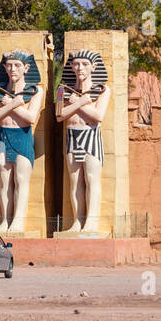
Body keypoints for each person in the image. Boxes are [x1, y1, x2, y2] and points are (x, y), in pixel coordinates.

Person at [56, 51, 110, 234]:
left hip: (91, 136)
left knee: (91, 179)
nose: (79, 68)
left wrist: (79, 102)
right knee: (74, 182)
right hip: (72, 136)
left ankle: (91, 222)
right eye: (76, 64)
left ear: (93, 67)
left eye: (84, 64)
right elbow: (59, 115)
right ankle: (77, 222)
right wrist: (80, 102)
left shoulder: (102, 89)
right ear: (71, 66)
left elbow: (98, 117)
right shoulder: (62, 90)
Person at [0, 52, 43, 235]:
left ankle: (18, 222)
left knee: (21, 181)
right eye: (9, 65)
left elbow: (31, 118)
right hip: (2, 138)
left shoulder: (35, 91)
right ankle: (5, 221)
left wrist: (10, 104)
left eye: (17, 65)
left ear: (26, 68)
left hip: (23, 137)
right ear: (4, 68)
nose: (13, 69)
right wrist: (13, 104)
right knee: (4, 183)